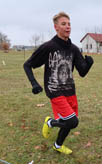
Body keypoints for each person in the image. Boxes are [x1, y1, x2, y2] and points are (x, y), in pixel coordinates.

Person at [23, 12, 94, 154]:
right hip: (54, 90)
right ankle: (49, 122)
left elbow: (82, 72)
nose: (67, 27)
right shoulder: (49, 47)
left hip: (70, 89)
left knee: (68, 122)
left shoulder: (74, 49)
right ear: (56, 27)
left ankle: (57, 145)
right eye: (63, 24)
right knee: (73, 122)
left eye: (69, 24)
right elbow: (27, 65)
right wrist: (34, 83)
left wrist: (89, 64)